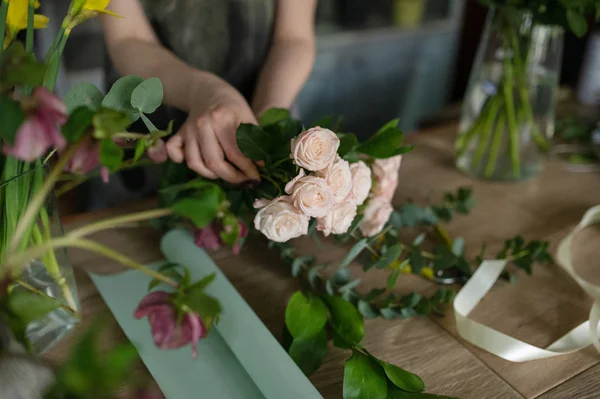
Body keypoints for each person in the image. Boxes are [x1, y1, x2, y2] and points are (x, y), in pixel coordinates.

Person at [101, 0, 317, 184]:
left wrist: (266, 121)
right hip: (153, 108)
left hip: (269, 88)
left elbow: (293, 36)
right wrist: (206, 93)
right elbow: (127, 37)